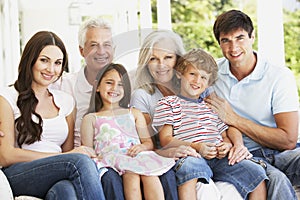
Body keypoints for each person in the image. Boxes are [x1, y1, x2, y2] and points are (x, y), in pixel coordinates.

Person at [52, 17, 176, 200]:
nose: (101, 51)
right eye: (94, 45)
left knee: (160, 174)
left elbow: (169, 79)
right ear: (81, 50)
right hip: (103, 160)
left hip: (135, 155)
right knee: (113, 178)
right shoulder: (63, 85)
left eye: (107, 44)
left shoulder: (133, 83)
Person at [131, 29, 253, 200]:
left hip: (210, 156)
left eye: (168, 57)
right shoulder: (142, 96)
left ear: (179, 61)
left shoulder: (197, 85)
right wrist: (189, 148)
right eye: (153, 59)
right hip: (174, 157)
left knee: (238, 185)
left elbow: (223, 122)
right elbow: (151, 143)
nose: (161, 65)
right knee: (196, 184)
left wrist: (234, 144)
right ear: (146, 62)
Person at [205, 9, 300, 199]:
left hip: (282, 152)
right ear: (219, 43)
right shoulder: (210, 75)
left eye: (240, 38)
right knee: (277, 180)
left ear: (252, 37)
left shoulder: (278, 76)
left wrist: (234, 119)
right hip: (245, 155)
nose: (234, 48)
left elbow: (288, 140)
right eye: (226, 40)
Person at [0, 31, 105, 199]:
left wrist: (65, 157)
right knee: (81, 161)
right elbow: (6, 156)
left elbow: (68, 151)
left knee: (66, 192)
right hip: (20, 173)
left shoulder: (66, 102)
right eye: (44, 60)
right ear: (30, 59)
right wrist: (63, 158)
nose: (51, 69)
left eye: (58, 63)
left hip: (57, 171)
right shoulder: (8, 97)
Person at [152, 48, 268, 200]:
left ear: (208, 84)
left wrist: (226, 145)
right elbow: (166, 139)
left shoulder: (211, 106)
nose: (197, 81)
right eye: (192, 74)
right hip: (192, 155)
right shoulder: (169, 104)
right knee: (189, 169)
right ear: (180, 74)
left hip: (219, 158)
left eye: (203, 78)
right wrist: (197, 146)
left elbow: (225, 135)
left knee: (256, 173)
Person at [81, 63, 175, 200]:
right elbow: (87, 151)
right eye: (109, 82)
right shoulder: (90, 118)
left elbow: (148, 143)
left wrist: (141, 147)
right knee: (131, 174)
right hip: (111, 159)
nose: (115, 88)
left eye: (120, 84)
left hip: (135, 155)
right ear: (97, 86)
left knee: (150, 174)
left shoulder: (134, 113)